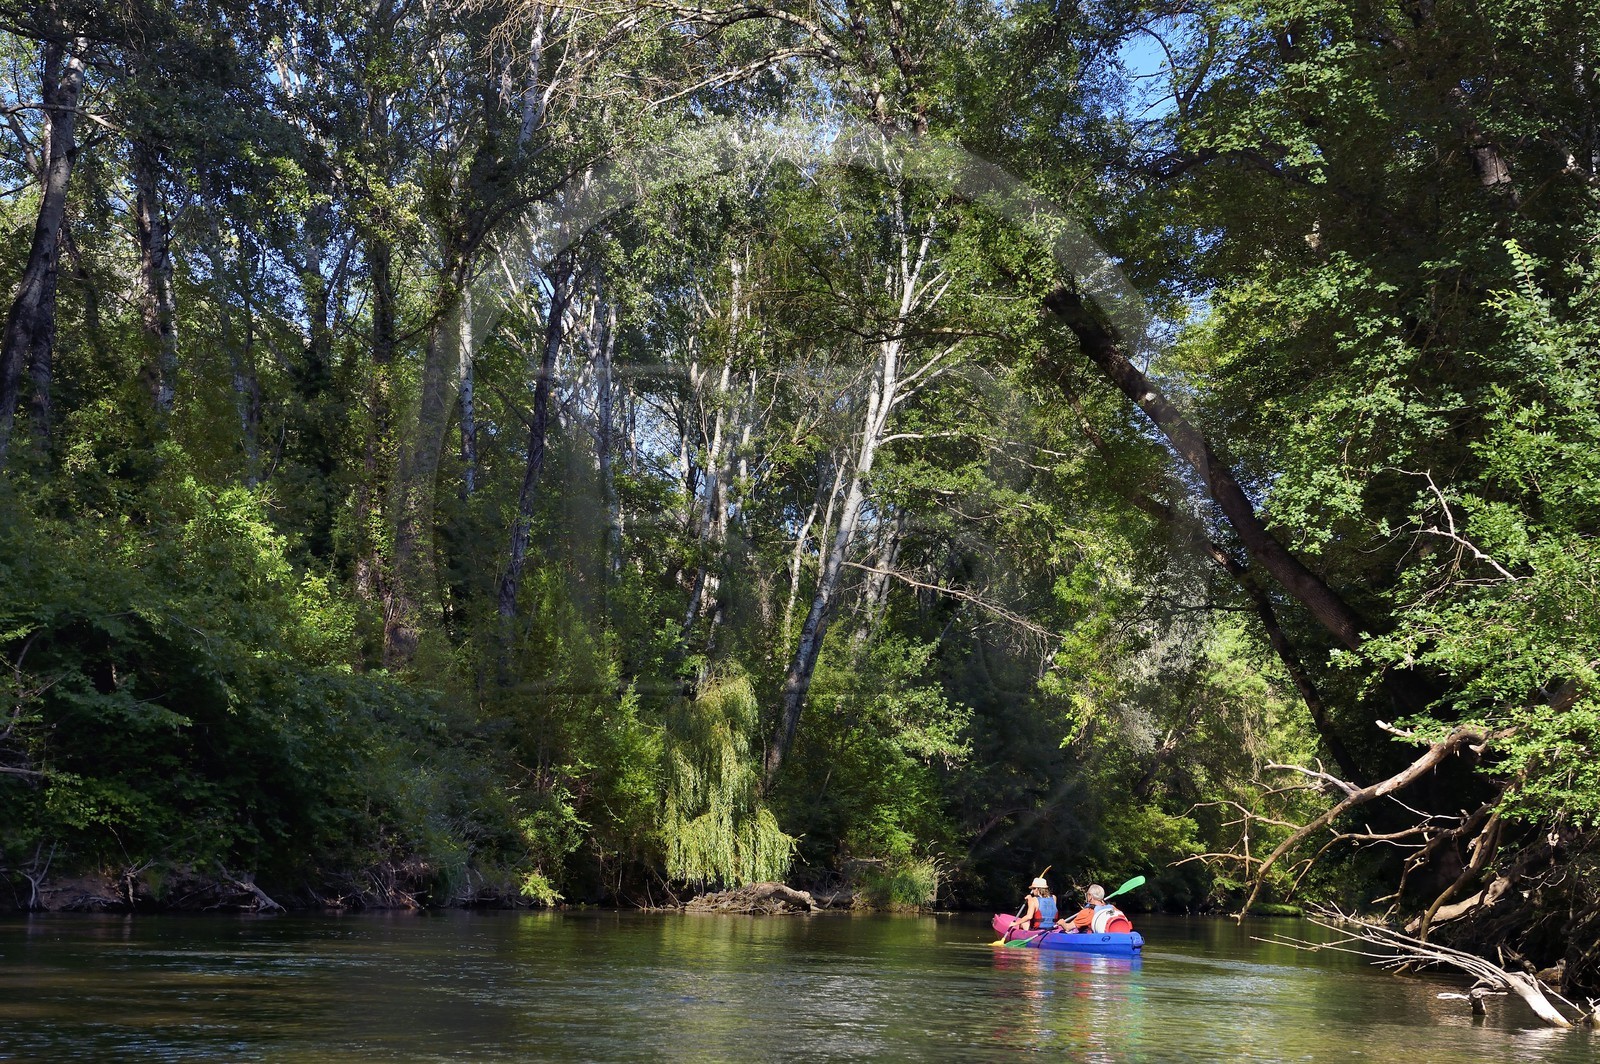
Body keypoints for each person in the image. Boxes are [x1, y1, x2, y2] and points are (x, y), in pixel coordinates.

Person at [1060, 883, 1134, 933]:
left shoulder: (1087, 912)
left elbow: (1068, 928)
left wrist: (1062, 923)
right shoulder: (1113, 908)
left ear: (1090, 896)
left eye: (1087, 895)